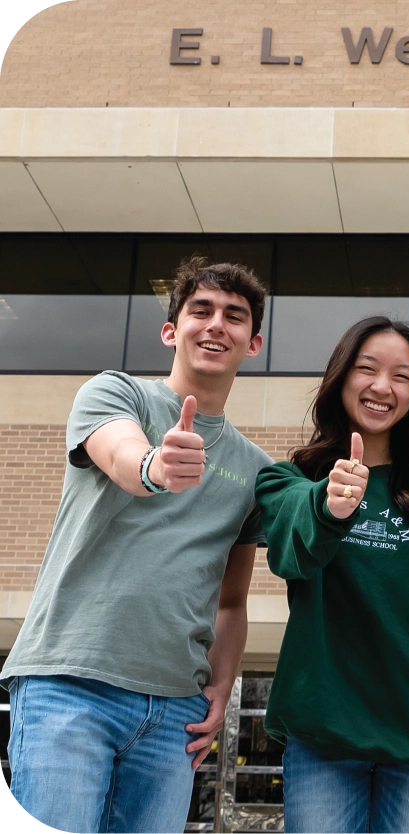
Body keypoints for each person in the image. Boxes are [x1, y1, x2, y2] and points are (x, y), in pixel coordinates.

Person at [2, 256, 272, 834]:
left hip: (175, 710)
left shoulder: (254, 469)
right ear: (172, 331)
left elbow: (231, 601)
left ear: (253, 344)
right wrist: (155, 465)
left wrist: (220, 690)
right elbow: (123, 456)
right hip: (70, 685)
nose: (216, 324)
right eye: (200, 311)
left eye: (234, 316)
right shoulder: (115, 393)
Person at [255, 316, 409, 834]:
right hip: (324, 739)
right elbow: (290, 553)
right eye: (367, 369)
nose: (381, 387)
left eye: (401, 376)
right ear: (341, 377)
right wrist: (330, 506)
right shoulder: (292, 482)